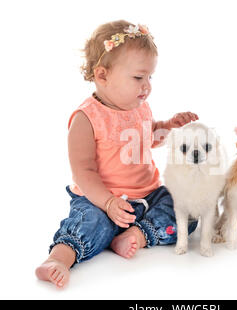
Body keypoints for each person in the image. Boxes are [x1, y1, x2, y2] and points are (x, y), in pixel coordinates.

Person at [35, 20, 199, 288]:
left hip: (147, 196)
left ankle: (136, 234)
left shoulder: (139, 106)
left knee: (186, 208)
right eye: (138, 77)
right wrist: (108, 203)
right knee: (89, 222)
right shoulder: (86, 118)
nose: (146, 86)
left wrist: (168, 126)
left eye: (149, 77)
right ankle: (59, 258)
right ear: (102, 75)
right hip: (100, 200)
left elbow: (148, 137)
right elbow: (83, 171)